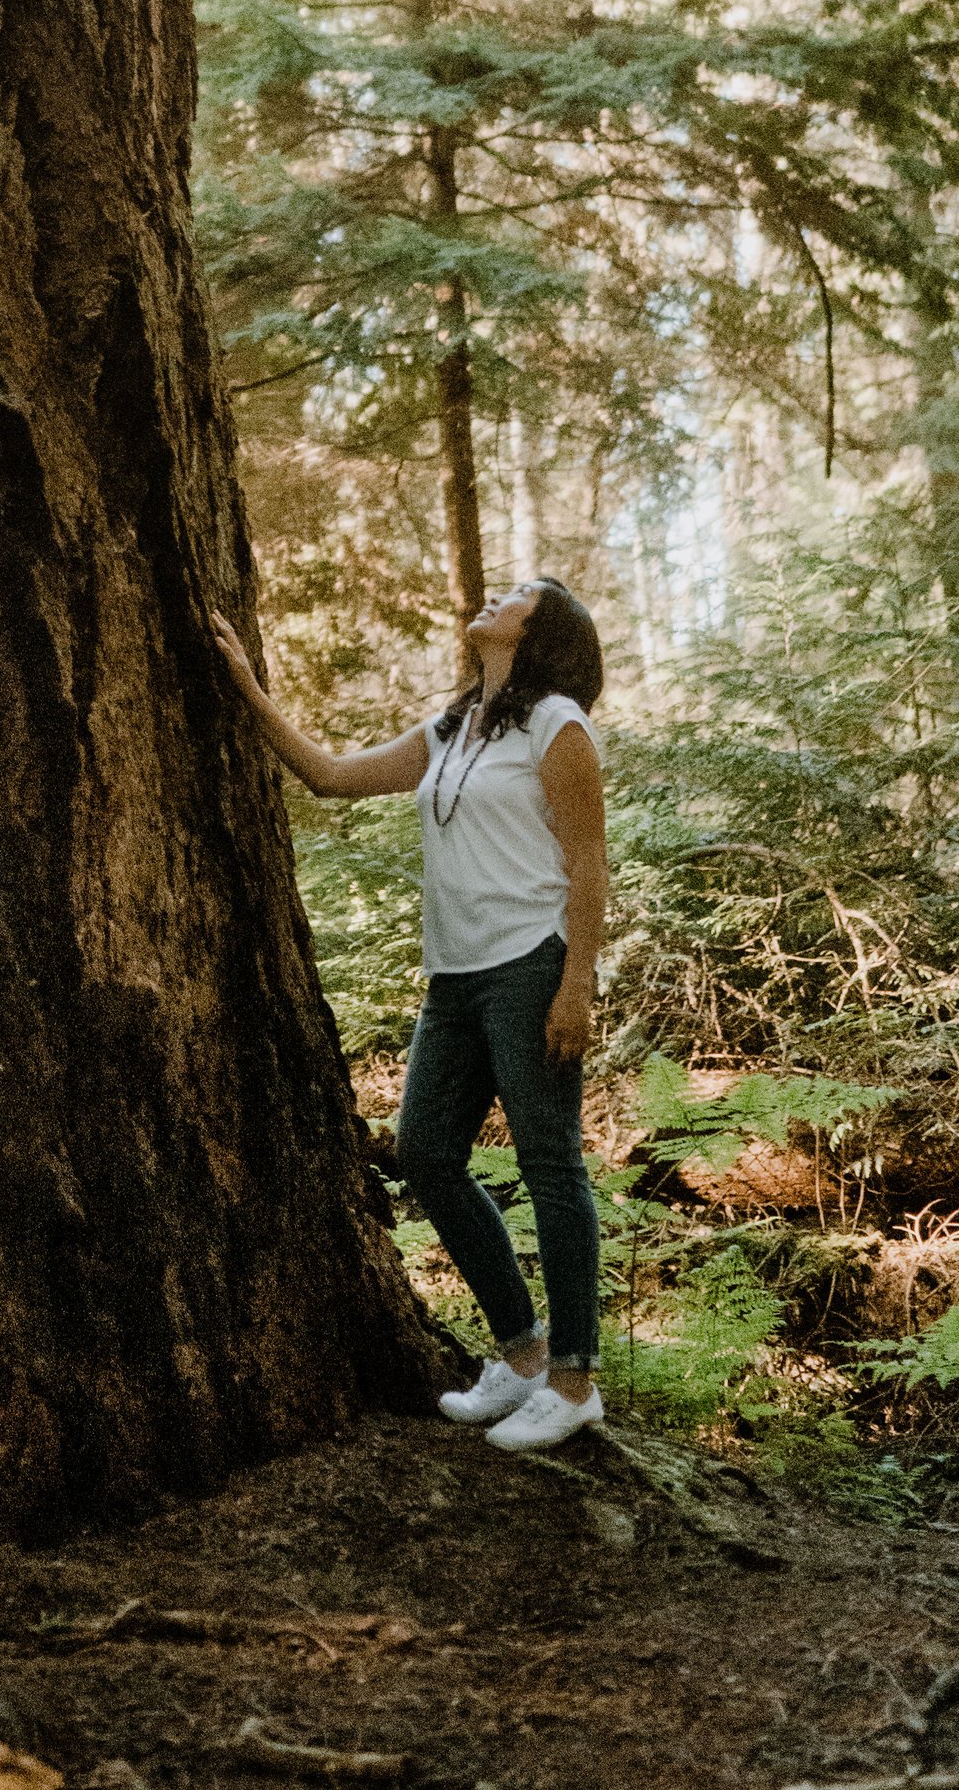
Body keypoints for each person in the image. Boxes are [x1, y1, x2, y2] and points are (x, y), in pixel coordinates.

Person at [210, 577, 611, 1452]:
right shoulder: (453, 731)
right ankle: (523, 1358)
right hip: (457, 977)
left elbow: (588, 862)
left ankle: (576, 1381)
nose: (494, 597)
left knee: (550, 1165)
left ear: (542, 631)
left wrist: (577, 982)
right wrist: (245, 687)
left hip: (531, 966)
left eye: (514, 595)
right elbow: (329, 777)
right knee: (426, 1153)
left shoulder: (557, 725)